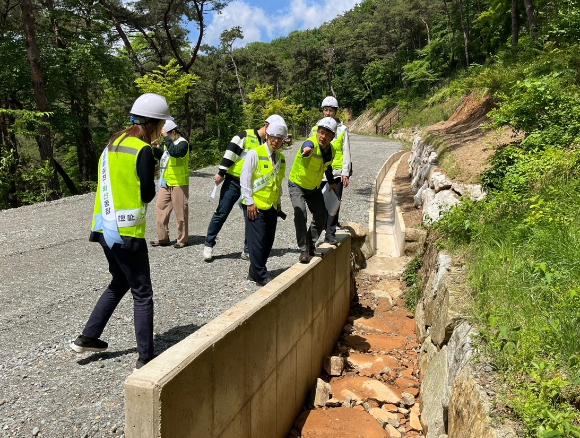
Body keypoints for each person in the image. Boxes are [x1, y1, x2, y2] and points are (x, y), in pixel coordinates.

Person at [70, 93, 170, 370]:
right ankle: (146, 357)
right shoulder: (143, 150)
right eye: (161, 123)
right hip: (127, 232)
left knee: (120, 281)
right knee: (142, 292)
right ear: (154, 123)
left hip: (103, 228)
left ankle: (88, 337)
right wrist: (153, 167)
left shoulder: (112, 144)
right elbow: (148, 195)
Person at [203, 114, 285, 262]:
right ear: (266, 126)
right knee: (222, 212)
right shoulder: (245, 136)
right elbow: (230, 152)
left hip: (253, 186)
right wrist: (222, 172)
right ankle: (209, 243)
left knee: (251, 216)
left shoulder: (269, 144)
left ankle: (248, 249)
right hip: (233, 182)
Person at [240, 122, 287, 286]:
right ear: (267, 136)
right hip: (256, 206)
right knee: (257, 242)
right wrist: (250, 202)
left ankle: (254, 272)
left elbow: (278, 183)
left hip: (272, 205)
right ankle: (261, 275)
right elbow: (245, 179)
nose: (276, 141)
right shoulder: (255, 153)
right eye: (273, 137)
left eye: (280, 138)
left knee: (268, 241)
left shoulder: (281, 158)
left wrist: (279, 203)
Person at [288, 117, 337, 264]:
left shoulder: (331, 151)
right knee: (300, 213)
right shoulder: (310, 143)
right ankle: (303, 249)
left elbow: (327, 166)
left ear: (332, 137)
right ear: (317, 132)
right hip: (297, 184)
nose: (323, 137)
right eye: (321, 133)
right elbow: (307, 146)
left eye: (327, 135)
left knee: (322, 215)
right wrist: (307, 150)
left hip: (314, 187)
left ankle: (310, 244)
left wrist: (331, 181)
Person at [311, 96, 352, 245]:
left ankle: (330, 233)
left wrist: (345, 172)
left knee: (334, 204)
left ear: (335, 111)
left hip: (336, 173)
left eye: (331, 110)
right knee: (318, 205)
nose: (328, 113)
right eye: (325, 110)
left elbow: (346, 150)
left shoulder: (342, 129)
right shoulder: (315, 129)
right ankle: (314, 235)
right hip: (319, 173)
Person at [150, 119, 190, 249]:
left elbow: (175, 152)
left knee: (181, 212)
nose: (163, 136)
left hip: (179, 182)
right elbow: (162, 156)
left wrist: (167, 138)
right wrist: (156, 148)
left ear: (173, 131)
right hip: (165, 182)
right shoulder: (168, 143)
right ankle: (163, 238)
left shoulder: (183, 143)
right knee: (160, 208)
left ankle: (182, 239)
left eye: (165, 133)